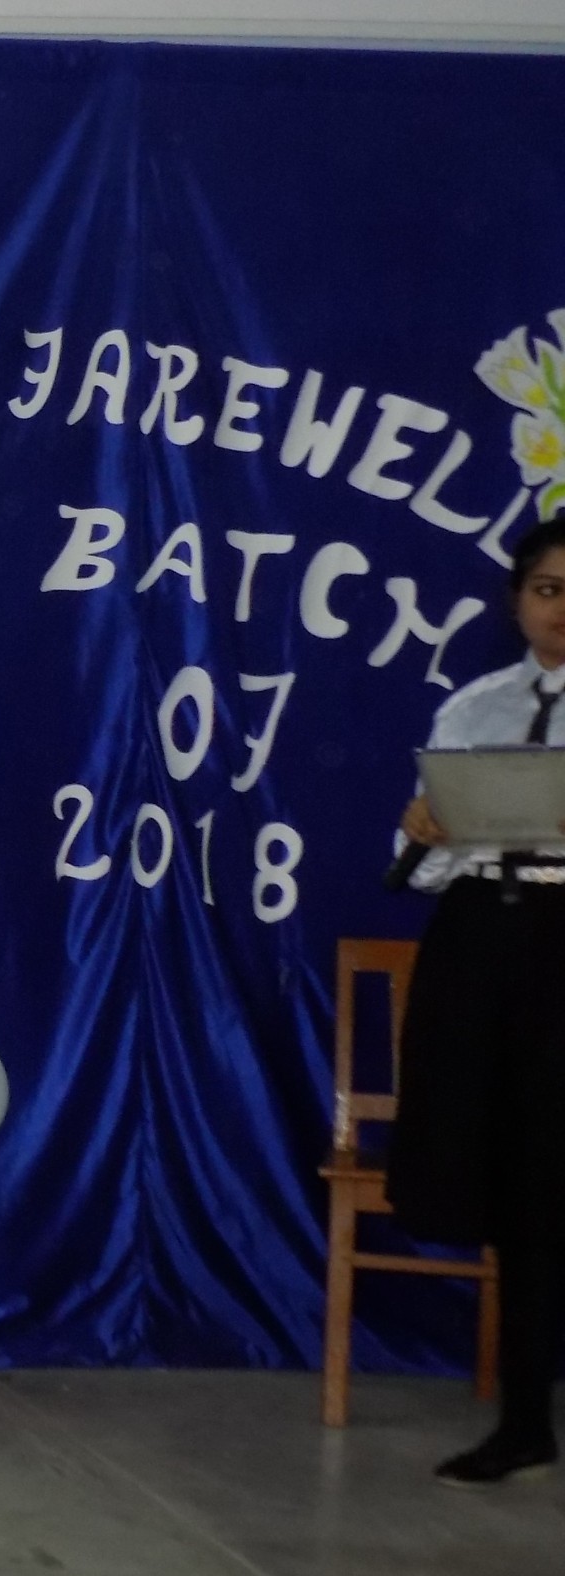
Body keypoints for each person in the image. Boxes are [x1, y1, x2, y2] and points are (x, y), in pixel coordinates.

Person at [389, 512, 565, 1487]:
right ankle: (524, 1421)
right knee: (509, 1175)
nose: (560, 609)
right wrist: (425, 829)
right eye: (546, 589)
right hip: (483, 948)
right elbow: (414, 871)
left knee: (553, 1173)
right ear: (516, 601)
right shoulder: (474, 709)